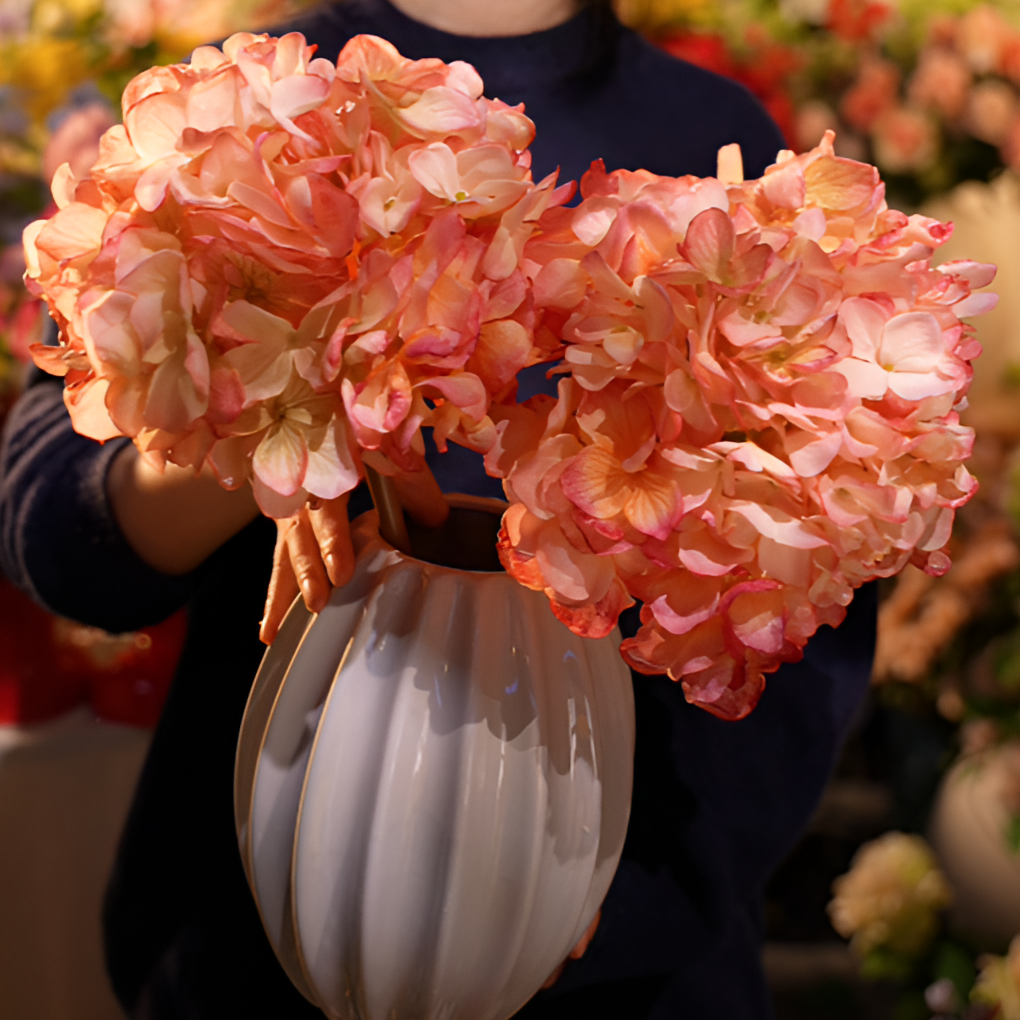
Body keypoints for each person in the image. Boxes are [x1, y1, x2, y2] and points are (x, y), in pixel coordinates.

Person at [0, 0, 878, 1017]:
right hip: (270, 919)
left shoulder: (712, 132)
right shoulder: (260, 99)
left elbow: (805, 634)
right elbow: (57, 536)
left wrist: (615, 898)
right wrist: (273, 423)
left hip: (620, 955)